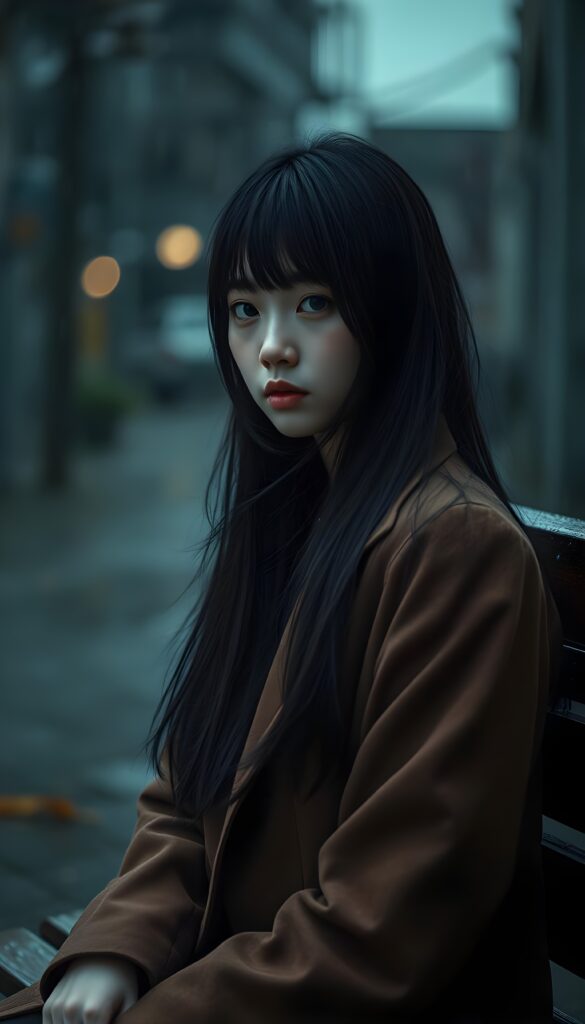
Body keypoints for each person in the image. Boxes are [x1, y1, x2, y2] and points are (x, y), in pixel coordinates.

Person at [0, 130, 562, 1024]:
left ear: (392, 312)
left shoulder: (455, 550)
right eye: (244, 309)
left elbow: (386, 922)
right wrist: (115, 951)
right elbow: (188, 790)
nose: (270, 348)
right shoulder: (299, 511)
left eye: (312, 303)